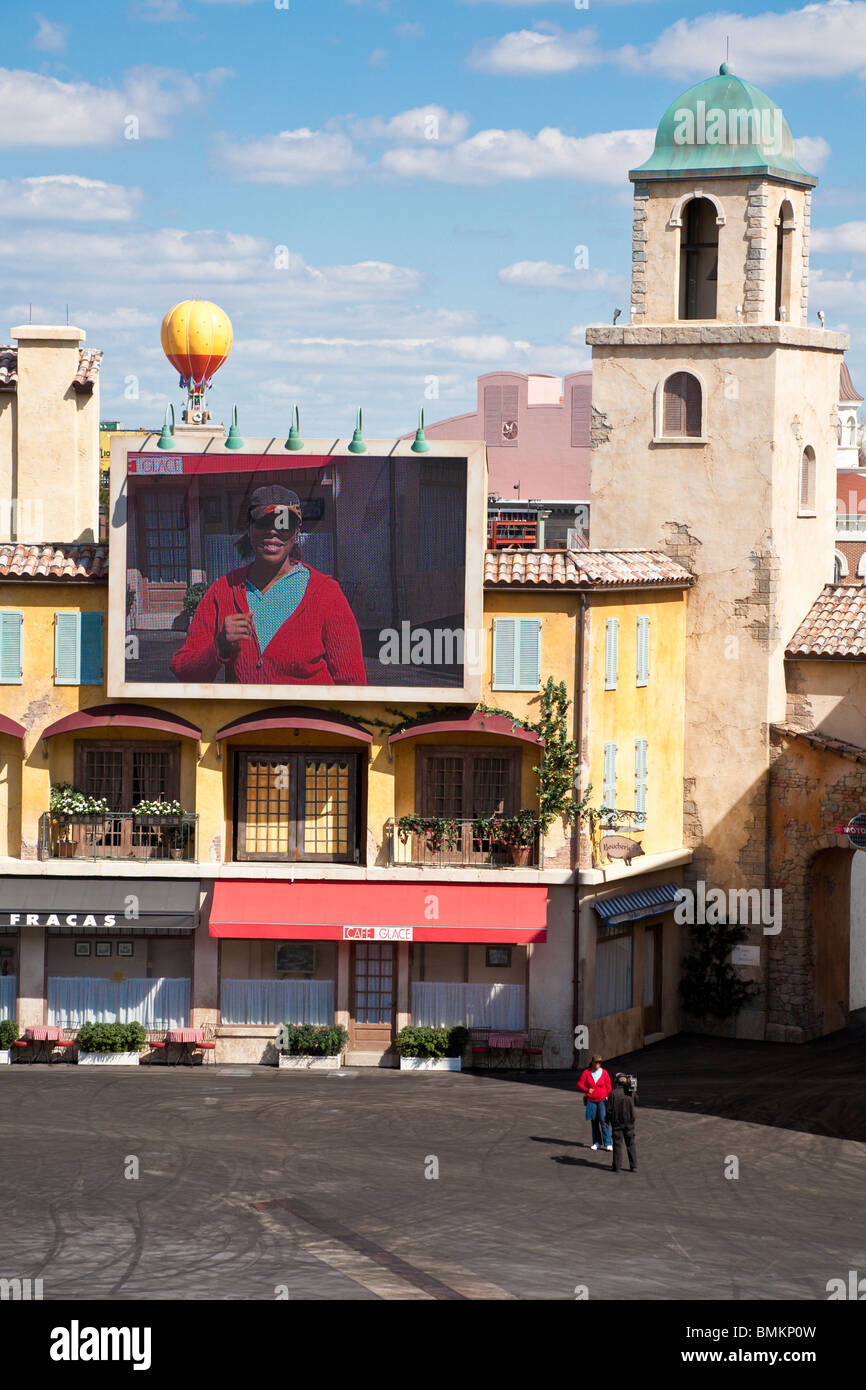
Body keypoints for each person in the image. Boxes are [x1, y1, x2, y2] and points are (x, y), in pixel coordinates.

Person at [170, 485, 367, 685]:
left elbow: (353, 684)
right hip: (247, 716)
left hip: (308, 716)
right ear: (249, 528)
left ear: (297, 532)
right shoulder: (223, 591)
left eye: (285, 523)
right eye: (264, 522)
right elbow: (185, 672)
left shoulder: (326, 594)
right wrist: (218, 647)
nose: (273, 531)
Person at [577, 1054, 612, 1151]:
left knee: (604, 1120)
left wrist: (606, 1095)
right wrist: (587, 1090)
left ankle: (608, 1142)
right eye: (596, 1062)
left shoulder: (604, 1072)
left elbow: (609, 1087)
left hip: (602, 1100)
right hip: (591, 1101)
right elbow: (580, 1084)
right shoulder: (586, 1072)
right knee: (594, 1121)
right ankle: (597, 1142)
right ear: (592, 1062)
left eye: (600, 1062)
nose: (598, 1064)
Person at [608, 1072, 638, 1172]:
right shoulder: (631, 1093)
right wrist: (633, 1087)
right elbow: (637, 1100)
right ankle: (633, 1166)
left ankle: (617, 1166)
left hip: (617, 1123)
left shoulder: (613, 1093)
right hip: (629, 1122)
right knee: (631, 1144)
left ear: (616, 1082)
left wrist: (606, 1121)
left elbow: (609, 1110)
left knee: (617, 1144)